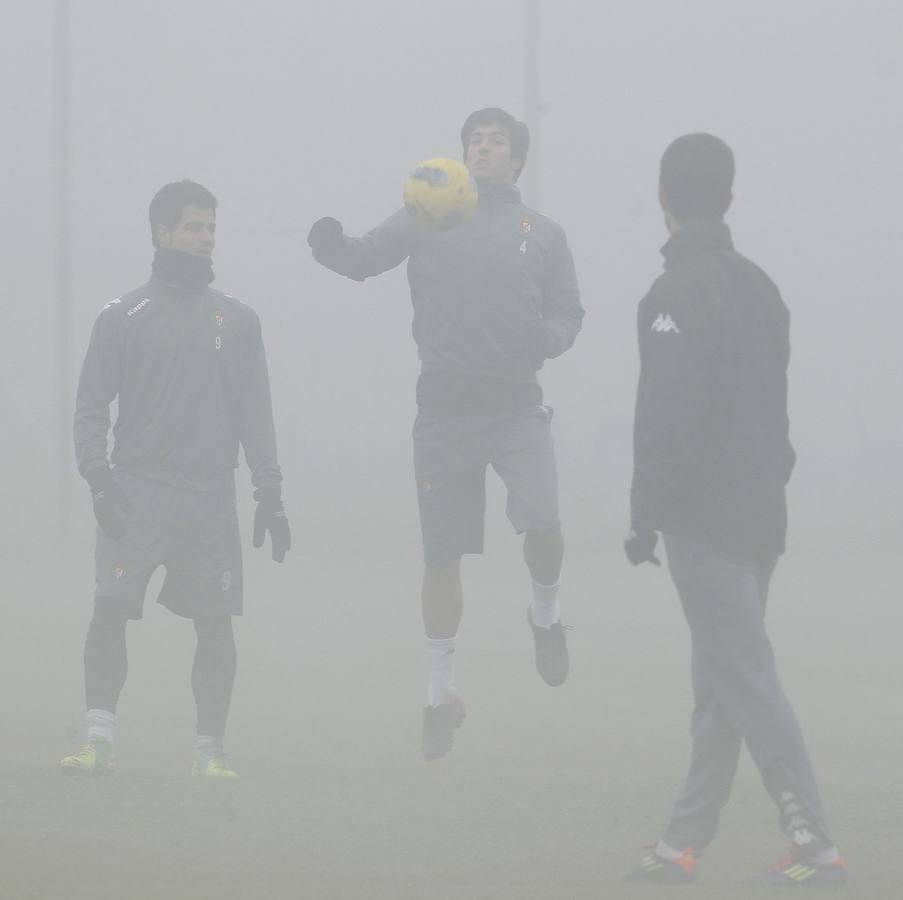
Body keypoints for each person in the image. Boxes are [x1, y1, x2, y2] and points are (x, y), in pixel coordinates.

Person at [308, 108, 583, 761]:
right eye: (474, 142)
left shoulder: (540, 233)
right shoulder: (425, 216)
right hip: (443, 410)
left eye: (496, 143)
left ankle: (544, 614)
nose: (483, 149)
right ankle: (439, 696)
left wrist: (550, 337)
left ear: (516, 161)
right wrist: (327, 245)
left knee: (542, 522)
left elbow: (568, 310)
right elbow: (362, 259)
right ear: (460, 157)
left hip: (515, 404)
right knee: (441, 558)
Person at [624, 134, 846, 888]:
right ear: (728, 194)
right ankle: (681, 844)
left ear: (662, 198)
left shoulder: (672, 296)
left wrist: (642, 509)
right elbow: (771, 413)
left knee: (741, 674)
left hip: (706, 522)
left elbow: (667, 415)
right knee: (720, 676)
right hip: (760, 517)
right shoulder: (760, 287)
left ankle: (813, 840)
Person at [62, 179, 290, 779]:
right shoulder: (121, 317)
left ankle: (209, 751)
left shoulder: (238, 319)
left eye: (211, 227)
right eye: (193, 226)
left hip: (210, 497)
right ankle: (98, 739)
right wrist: (99, 479)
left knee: (215, 624)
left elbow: (255, 409)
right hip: (136, 491)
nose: (204, 237)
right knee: (110, 609)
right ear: (162, 233)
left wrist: (270, 491)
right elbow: (90, 407)